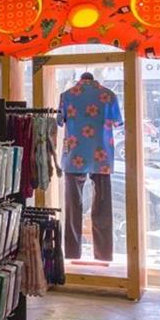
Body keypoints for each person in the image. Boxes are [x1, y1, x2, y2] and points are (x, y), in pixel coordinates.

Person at [57, 72, 123, 263]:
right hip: (101, 155)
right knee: (103, 206)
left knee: (72, 207)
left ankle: (72, 253)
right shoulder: (109, 95)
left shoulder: (67, 95)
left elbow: (60, 122)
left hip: (74, 155)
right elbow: (118, 123)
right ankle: (103, 254)